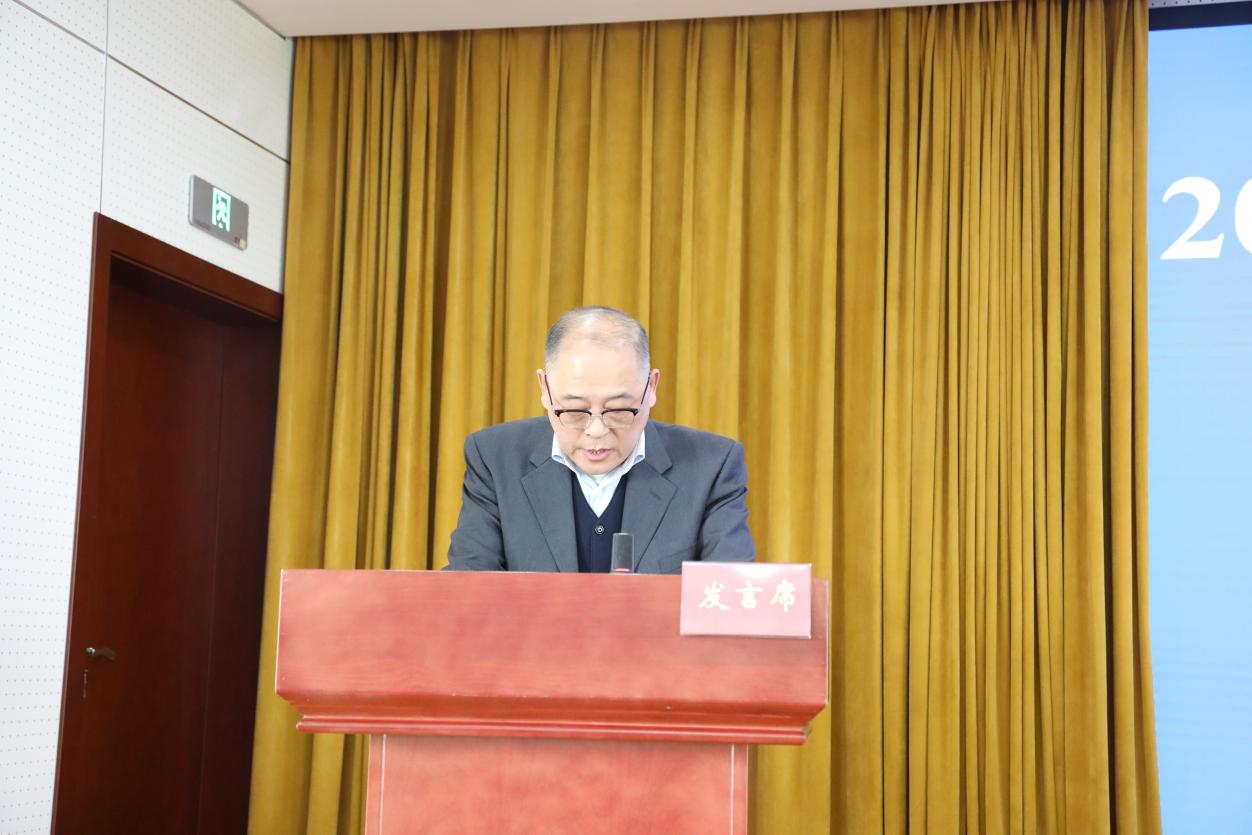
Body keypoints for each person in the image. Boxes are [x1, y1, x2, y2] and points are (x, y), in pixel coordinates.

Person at [446, 306, 755, 573]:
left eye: (619, 410)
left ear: (651, 387)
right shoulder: (495, 459)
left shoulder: (711, 466)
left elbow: (730, 597)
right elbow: (467, 590)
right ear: (544, 388)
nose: (596, 430)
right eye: (575, 410)